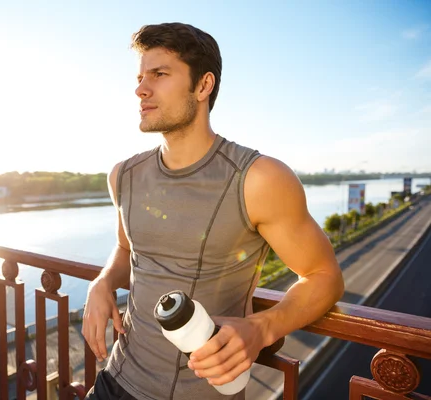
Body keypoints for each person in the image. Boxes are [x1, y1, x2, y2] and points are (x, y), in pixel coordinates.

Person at [82, 22, 344, 400]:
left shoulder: (259, 178)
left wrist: (262, 328)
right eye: (140, 77)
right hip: (115, 382)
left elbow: (324, 276)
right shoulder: (123, 175)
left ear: (203, 86)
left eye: (159, 74)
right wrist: (103, 282)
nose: (140, 89)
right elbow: (126, 251)